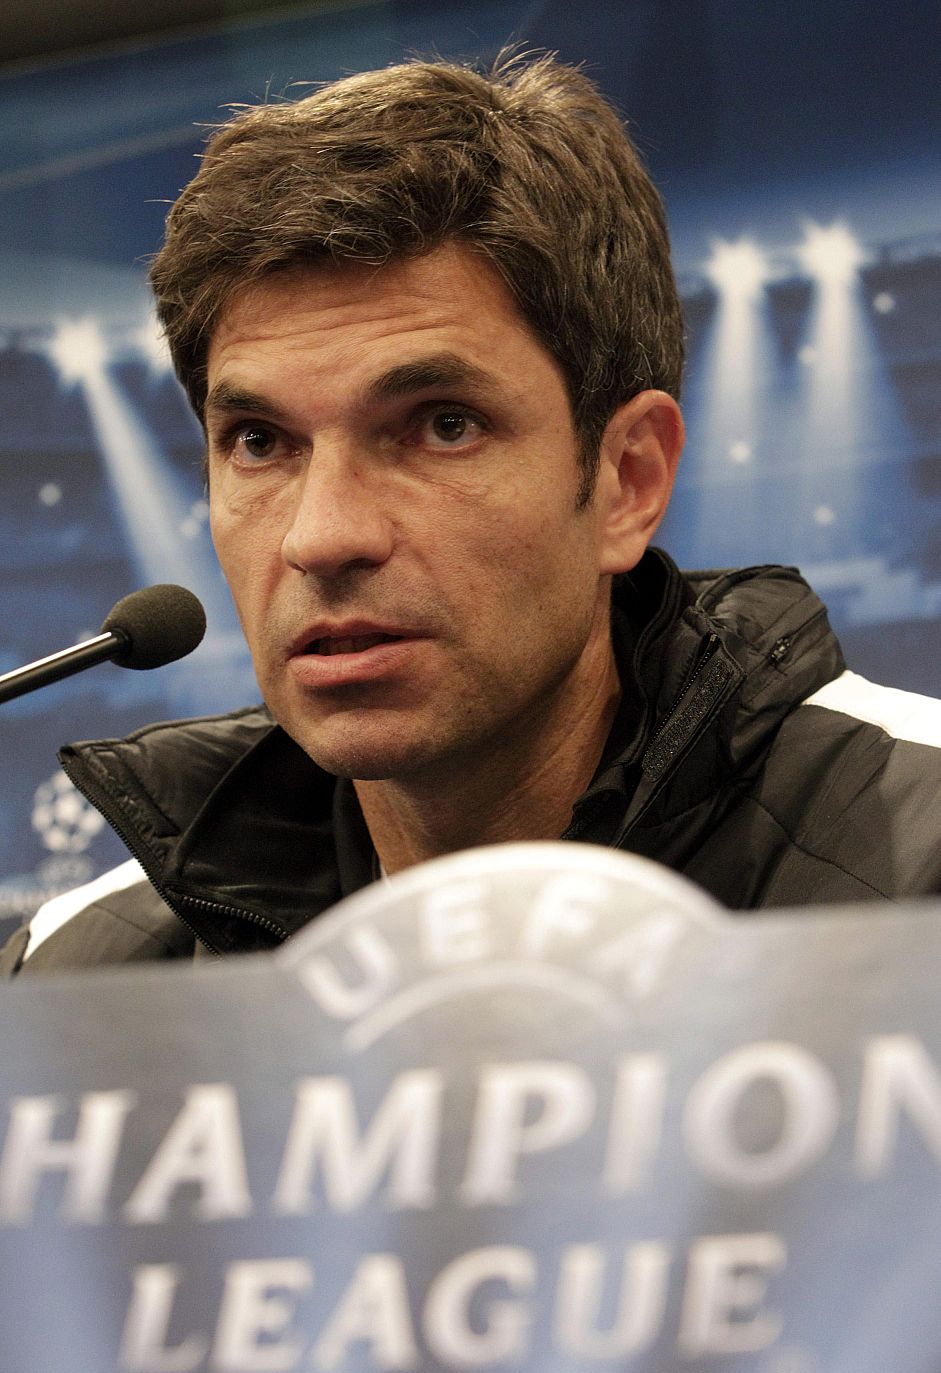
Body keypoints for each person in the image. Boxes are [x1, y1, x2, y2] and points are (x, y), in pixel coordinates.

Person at [4, 51, 941, 975]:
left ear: (628, 479)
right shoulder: (79, 978)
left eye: (440, 427)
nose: (321, 536)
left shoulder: (918, 861)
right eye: (259, 441)